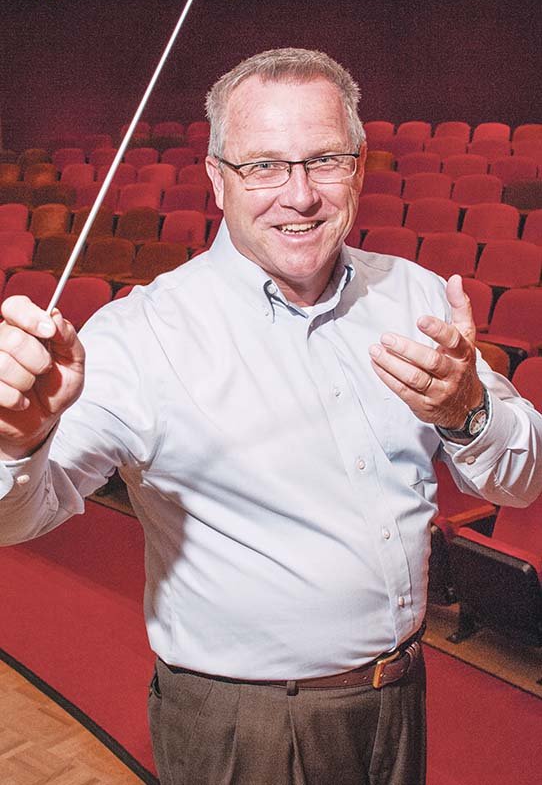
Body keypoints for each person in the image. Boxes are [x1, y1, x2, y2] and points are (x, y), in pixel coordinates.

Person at [0, 48, 540, 785]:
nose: (300, 195)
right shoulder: (142, 335)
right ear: (217, 181)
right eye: (262, 166)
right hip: (243, 727)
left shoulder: (416, 298)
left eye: (324, 160)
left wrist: (470, 413)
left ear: (358, 167)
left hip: (399, 695)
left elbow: (523, 479)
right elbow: (17, 518)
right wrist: (17, 441)